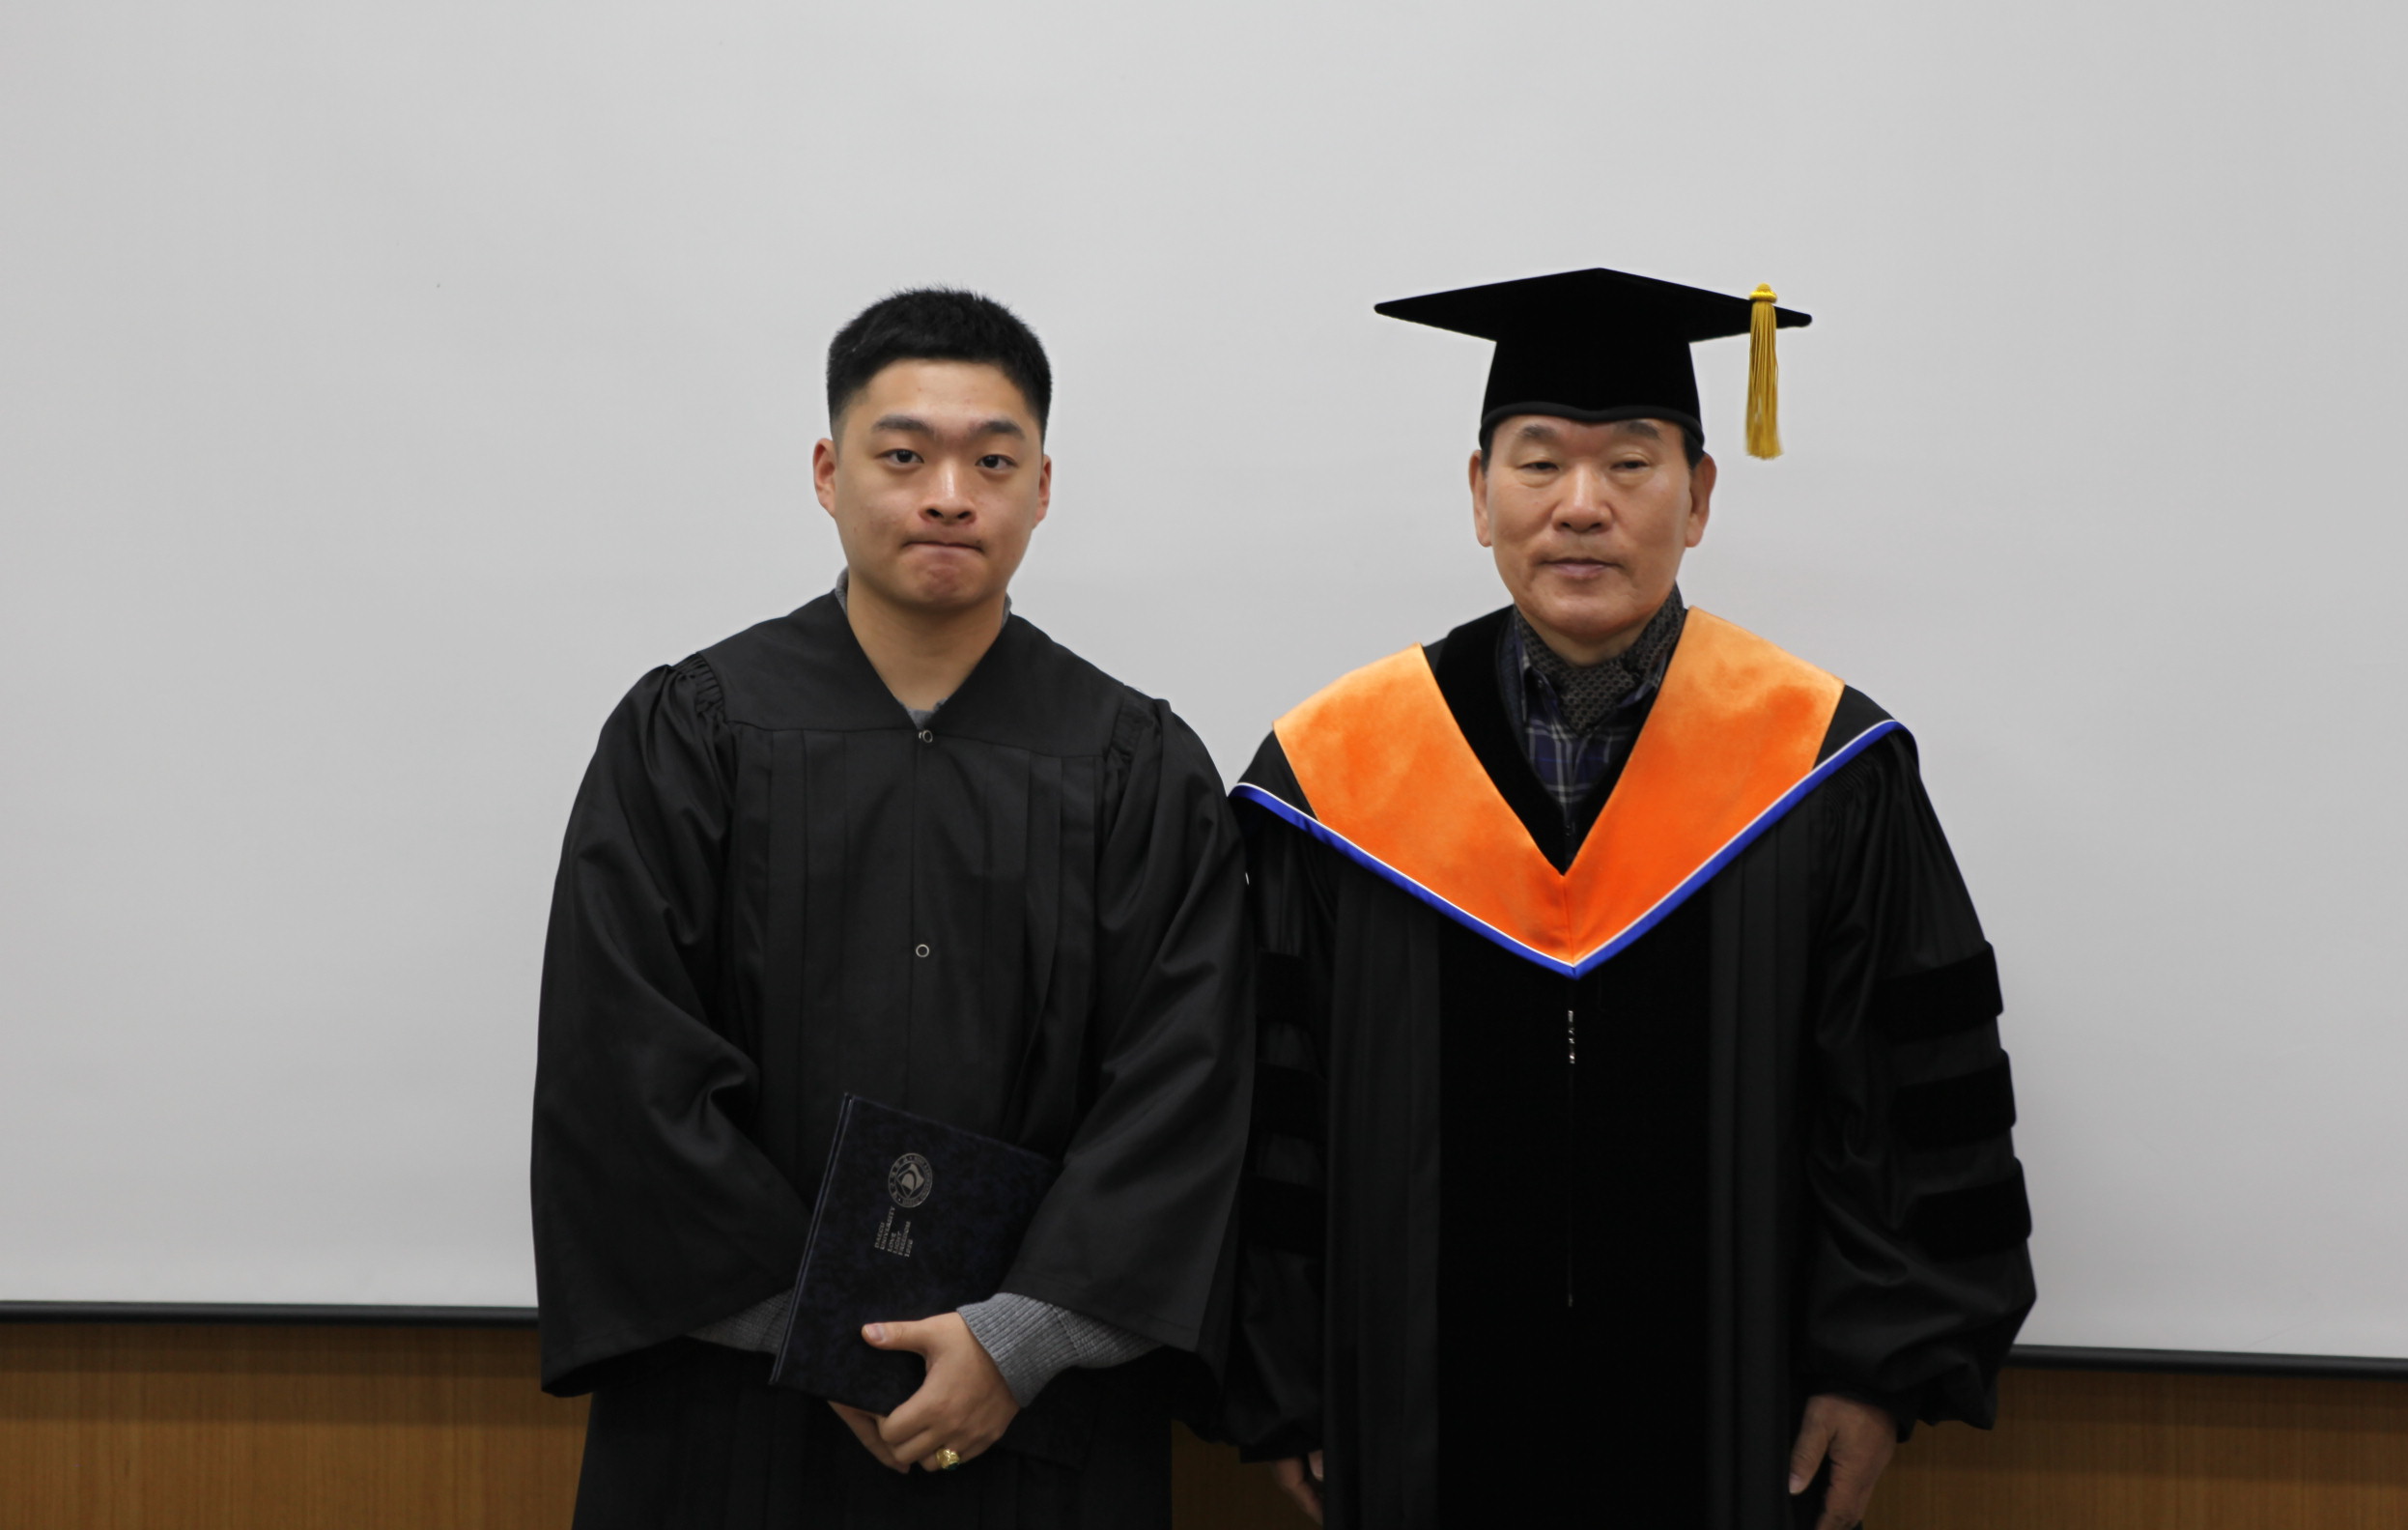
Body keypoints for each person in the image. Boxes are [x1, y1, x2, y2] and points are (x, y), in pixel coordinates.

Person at [1222, 269, 2035, 1530]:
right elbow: (1272, 1111)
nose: (1581, 505)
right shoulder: (1334, 778)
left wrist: (1875, 1370)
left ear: (1699, 496)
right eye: (1540, 462)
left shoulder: (1826, 768)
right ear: (1479, 492)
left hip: (1738, 1425)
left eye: (1632, 465)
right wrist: (1288, 1378)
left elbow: (1904, 1102)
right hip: (1415, 1419)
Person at [532, 288, 1251, 1529]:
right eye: (904, 455)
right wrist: (820, 1336)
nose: (949, 494)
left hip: (1039, 1421)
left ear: (1042, 486)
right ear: (828, 471)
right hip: (733, 1405)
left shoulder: (1136, 764)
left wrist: (1016, 1343)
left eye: (993, 460)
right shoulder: (692, 733)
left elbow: (1185, 1085)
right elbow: (623, 1063)